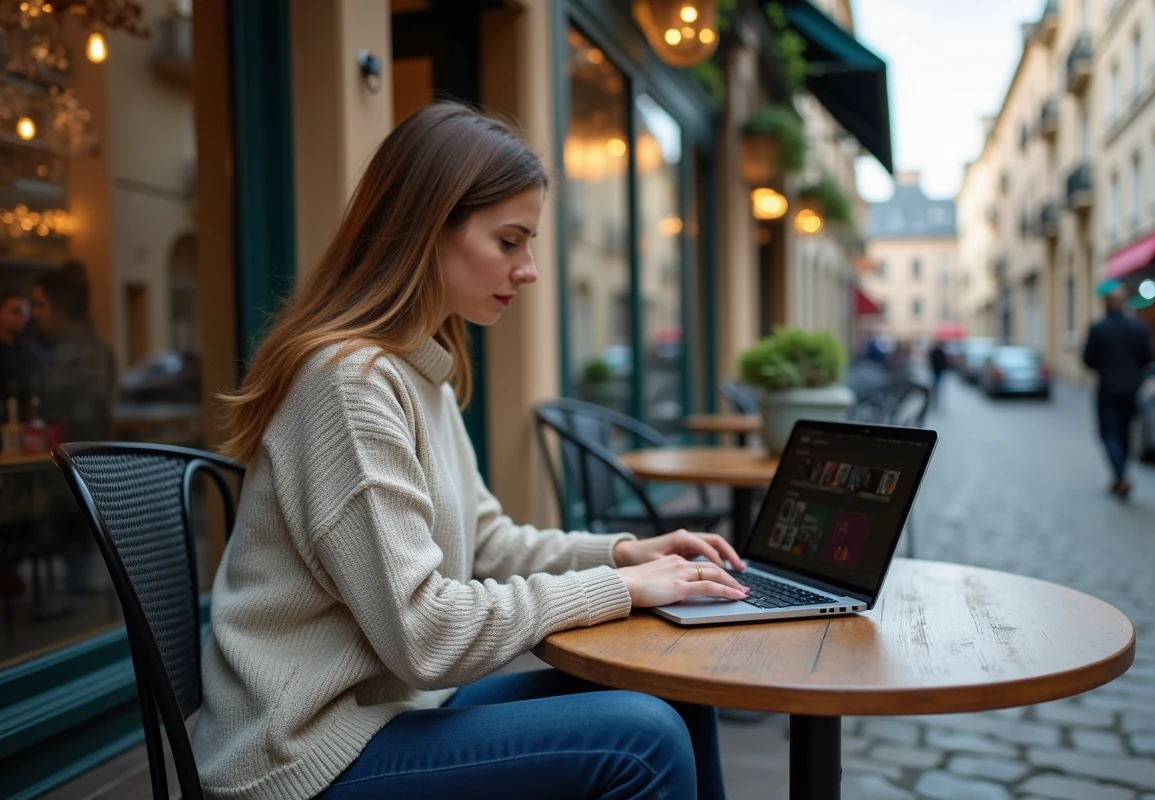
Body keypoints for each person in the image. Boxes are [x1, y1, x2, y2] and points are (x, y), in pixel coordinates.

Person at [194, 102, 748, 800]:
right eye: (509, 241)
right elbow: (427, 635)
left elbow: (487, 542)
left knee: (677, 694)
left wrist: (619, 555)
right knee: (642, 740)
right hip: (303, 754)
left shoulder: (416, 372)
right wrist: (621, 591)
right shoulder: (348, 385)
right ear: (429, 230)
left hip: (396, 716)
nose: (530, 271)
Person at [1082, 285, 1155, 499]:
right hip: (1132, 390)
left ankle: (1121, 476)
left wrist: (1104, 368)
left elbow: (1088, 359)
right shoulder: (1139, 328)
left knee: (1107, 434)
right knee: (1124, 435)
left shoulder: (1099, 328)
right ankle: (1120, 477)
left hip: (1108, 390)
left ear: (1106, 304)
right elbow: (1149, 357)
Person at [30, 262, 116, 442]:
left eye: (41, 305)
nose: (35, 313)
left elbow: (84, 419)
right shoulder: (92, 346)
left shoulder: (73, 351)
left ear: (61, 308)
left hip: (74, 459)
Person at [0, 289, 44, 426]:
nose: (21, 317)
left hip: (24, 424)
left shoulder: (29, 350)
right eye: (15, 312)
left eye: (25, 313)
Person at [927, 339, 949, 407]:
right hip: (937, 370)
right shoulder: (938, 352)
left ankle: (935, 401)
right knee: (937, 386)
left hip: (937, 370)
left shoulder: (935, 351)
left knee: (936, 386)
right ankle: (935, 401)